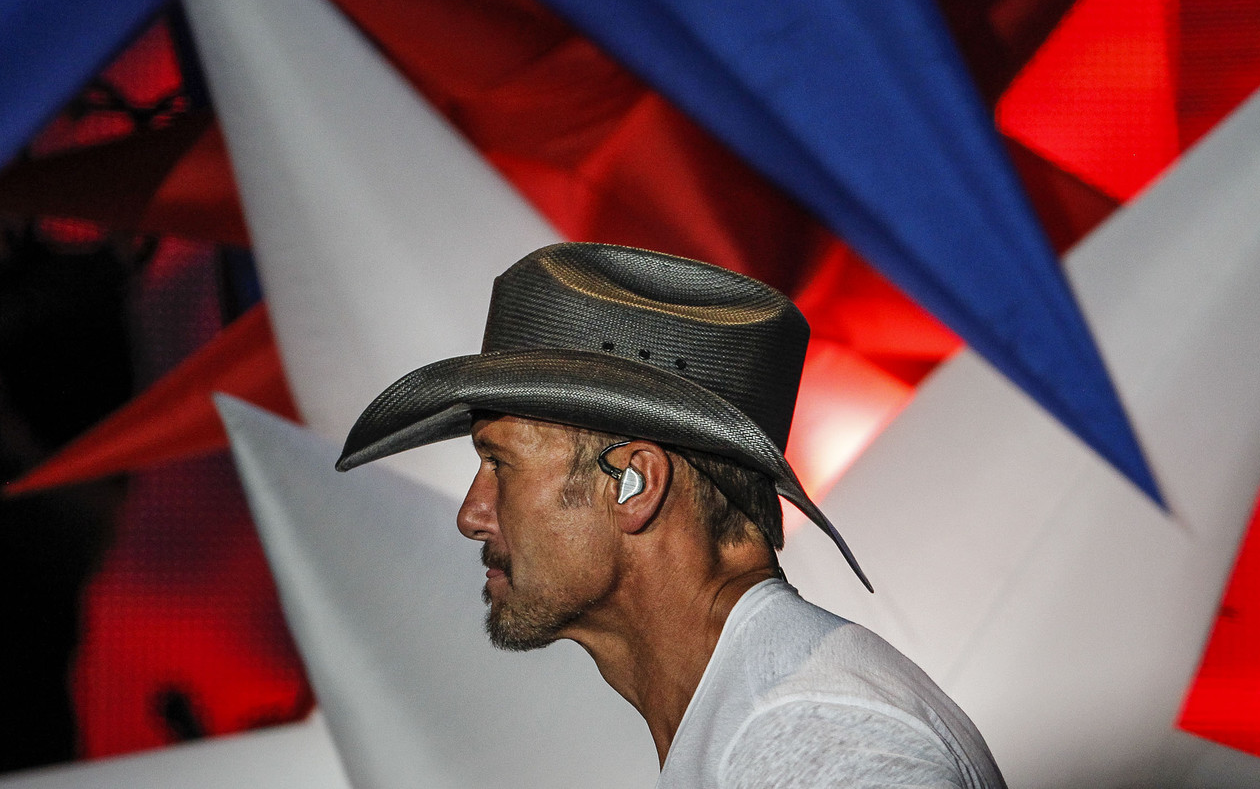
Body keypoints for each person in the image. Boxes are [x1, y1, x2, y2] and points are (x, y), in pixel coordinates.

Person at [338, 242, 1007, 787]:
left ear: (635, 483)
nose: (472, 513)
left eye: (499, 462)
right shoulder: (769, 715)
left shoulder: (803, 736)